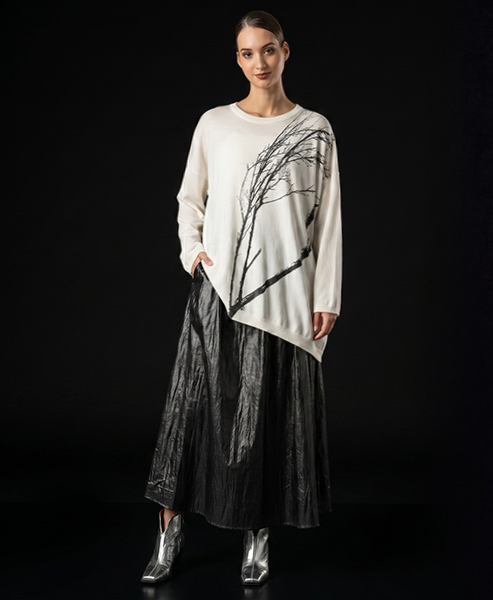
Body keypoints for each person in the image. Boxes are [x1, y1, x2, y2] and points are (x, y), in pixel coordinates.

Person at [140, 10, 342, 586]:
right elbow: (190, 199)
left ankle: (258, 533)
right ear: (238, 59)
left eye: (268, 49)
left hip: (285, 295)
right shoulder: (215, 124)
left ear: (285, 51)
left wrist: (327, 294)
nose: (259, 62)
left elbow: (327, 219)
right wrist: (195, 253)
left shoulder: (315, 129)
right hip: (219, 290)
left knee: (263, 415)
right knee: (192, 410)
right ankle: (169, 530)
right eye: (248, 53)